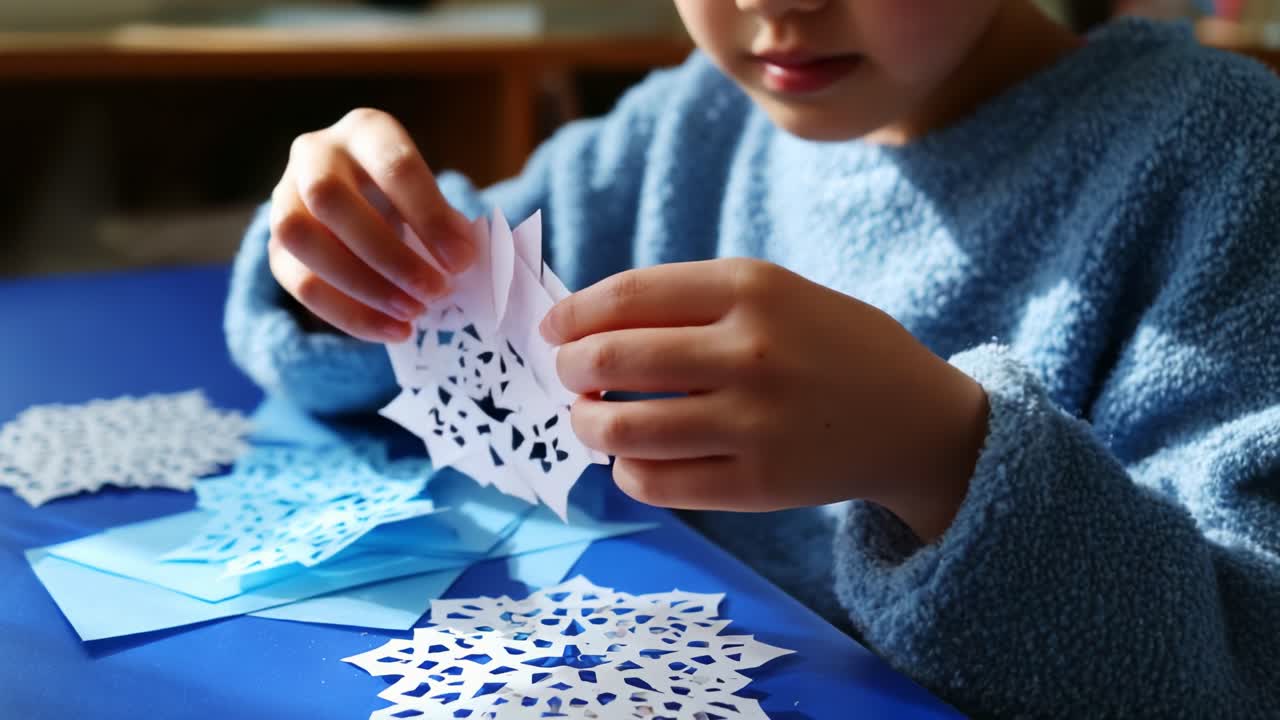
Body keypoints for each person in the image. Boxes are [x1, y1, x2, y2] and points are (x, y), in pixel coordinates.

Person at [224, 1, 1280, 716]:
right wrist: (348, 253)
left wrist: (939, 456)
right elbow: (412, 339)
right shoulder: (690, 121)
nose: (776, 2)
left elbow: (1242, 663)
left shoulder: (1223, 159)